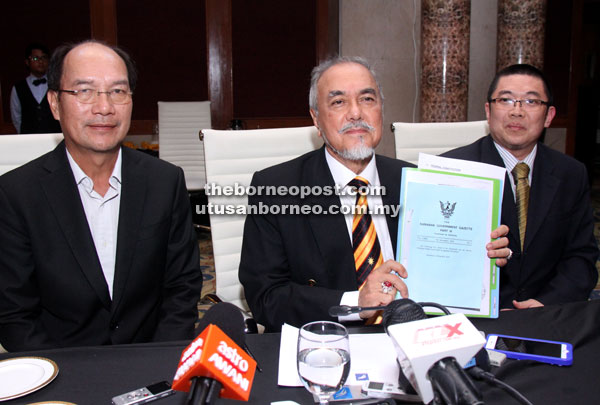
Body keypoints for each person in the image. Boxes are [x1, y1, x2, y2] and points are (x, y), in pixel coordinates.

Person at [239, 57, 510, 332]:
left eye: (367, 99)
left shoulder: (419, 183)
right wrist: (356, 302)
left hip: (418, 335)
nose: (356, 113)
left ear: (381, 110)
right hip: (330, 344)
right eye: (338, 102)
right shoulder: (276, 190)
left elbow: (445, 269)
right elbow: (266, 297)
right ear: (316, 119)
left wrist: (480, 255)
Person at [0, 40, 203, 352]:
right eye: (84, 90)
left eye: (118, 91)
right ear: (55, 103)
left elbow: (182, 287)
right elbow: (14, 314)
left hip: (150, 363)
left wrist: (158, 362)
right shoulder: (15, 194)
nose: (104, 107)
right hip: (62, 371)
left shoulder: (165, 181)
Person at [443, 64, 599, 309]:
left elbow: (581, 257)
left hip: (548, 312)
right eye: (505, 100)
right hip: (473, 314)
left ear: (548, 116)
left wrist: (545, 303)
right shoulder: (450, 170)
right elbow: (437, 259)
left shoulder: (571, 173)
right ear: (488, 110)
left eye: (530, 102)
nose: (516, 112)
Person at [10, 42, 61, 134]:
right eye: (35, 58)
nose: (40, 61)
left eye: (44, 57)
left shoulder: (57, 84)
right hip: (28, 138)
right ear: (27, 62)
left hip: (54, 137)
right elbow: (16, 117)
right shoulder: (18, 87)